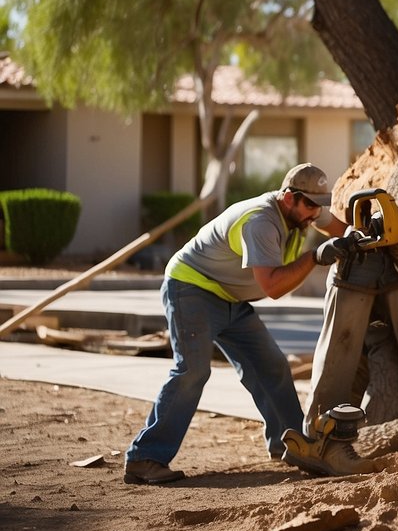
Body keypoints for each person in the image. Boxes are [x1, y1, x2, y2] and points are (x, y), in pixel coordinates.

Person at [123, 163, 354, 485]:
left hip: (230, 297)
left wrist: (358, 237)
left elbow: (337, 227)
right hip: (193, 290)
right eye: (311, 205)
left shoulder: (304, 211)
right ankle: (144, 459)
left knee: (271, 366)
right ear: (289, 197)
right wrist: (315, 257)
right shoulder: (260, 221)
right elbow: (273, 288)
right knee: (192, 371)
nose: (316, 213)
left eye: (320, 204)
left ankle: (290, 445)